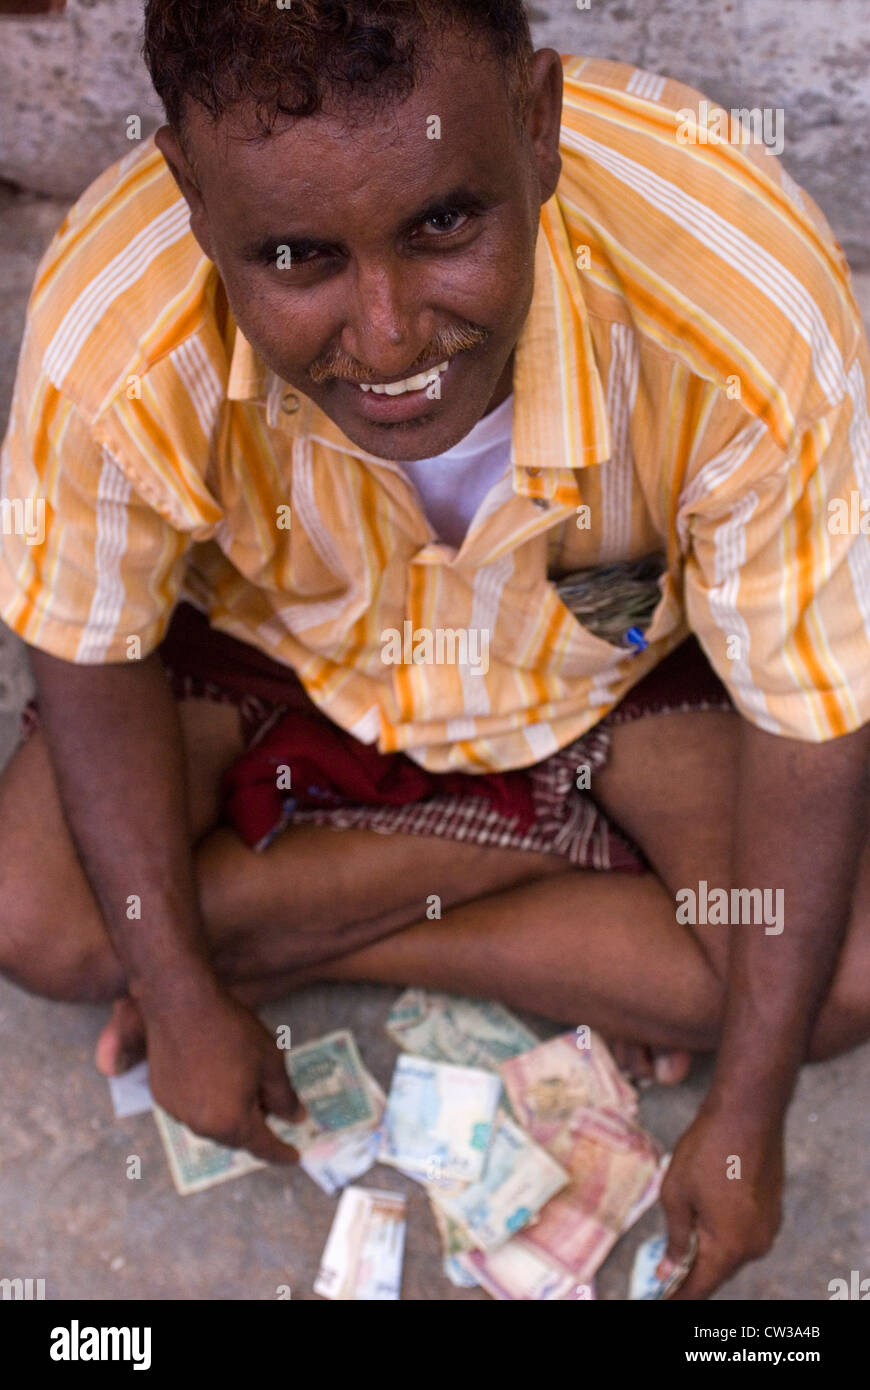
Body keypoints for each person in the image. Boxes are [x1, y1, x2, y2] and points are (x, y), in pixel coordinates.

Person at [1, 0, 869, 1300]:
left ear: (539, 126)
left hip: (609, 669)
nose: (392, 336)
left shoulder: (741, 313)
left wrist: (747, 1121)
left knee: (838, 973)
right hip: (279, 645)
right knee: (48, 923)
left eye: (444, 225)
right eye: (297, 255)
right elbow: (86, 650)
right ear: (187, 190)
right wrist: (181, 1003)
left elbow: (810, 717)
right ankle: (525, 840)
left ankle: (325, 915)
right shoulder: (115, 335)